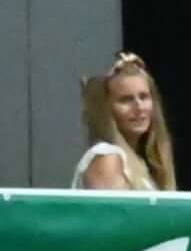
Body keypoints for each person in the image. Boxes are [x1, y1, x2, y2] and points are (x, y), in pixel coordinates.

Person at [69, 51, 177, 193]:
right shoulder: (108, 158)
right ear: (107, 108)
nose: (139, 107)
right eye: (126, 100)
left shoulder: (140, 161)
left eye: (144, 97)